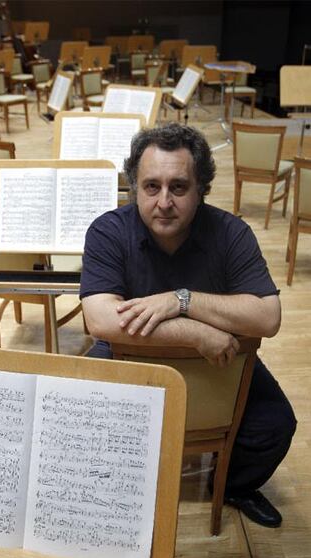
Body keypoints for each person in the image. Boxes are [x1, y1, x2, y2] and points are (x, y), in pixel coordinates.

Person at [80, 122, 296, 528]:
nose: (164, 201)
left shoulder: (231, 233)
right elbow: (100, 319)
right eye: (151, 187)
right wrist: (196, 331)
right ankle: (115, 496)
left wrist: (183, 301)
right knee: (78, 424)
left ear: (201, 190)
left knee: (275, 425)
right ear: (134, 187)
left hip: (219, 361)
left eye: (178, 187)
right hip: (138, 355)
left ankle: (231, 483)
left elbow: (268, 317)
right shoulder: (108, 230)